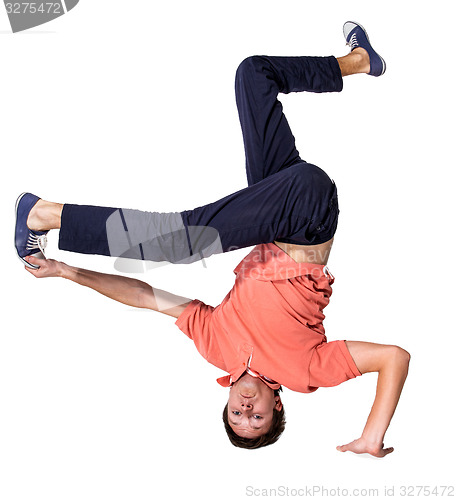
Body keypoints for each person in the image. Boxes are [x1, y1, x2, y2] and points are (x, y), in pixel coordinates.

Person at [15, 22, 410, 456]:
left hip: (275, 211)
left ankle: (358, 62)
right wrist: (372, 435)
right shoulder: (306, 372)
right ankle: (45, 214)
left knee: (254, 74)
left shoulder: (214, 344)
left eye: (237, 416)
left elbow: (147, 297)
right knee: (180, 242)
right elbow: (394, 357)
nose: (245, 408)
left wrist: (68, 271)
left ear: (224, 404)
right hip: (305, 217)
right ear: (278, 405)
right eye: (257, 417)